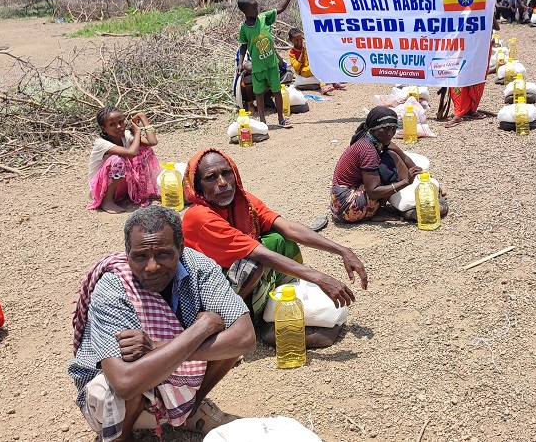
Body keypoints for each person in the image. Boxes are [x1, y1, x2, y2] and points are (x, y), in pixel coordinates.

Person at [69, 206, 255, 442]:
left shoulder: (199, 267)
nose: (152, 267)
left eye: (164, 254)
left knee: (228, 341)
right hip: (118, 400)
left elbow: (245, 338)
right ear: (127, 254)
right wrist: (202, 328)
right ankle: (122, 438)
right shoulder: (113, 286)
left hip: (160, 371)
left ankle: (187, 412)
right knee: (115, 382)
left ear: (181, 248)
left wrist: (157, 346)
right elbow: (125, 383)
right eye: (140, 256)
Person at [181, 149, 367, 322]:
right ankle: (238, 318)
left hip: (230, 270)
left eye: (226, 173)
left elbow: (289, 229)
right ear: (198, 187)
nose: (222, 182)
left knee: (280, 239)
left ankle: (274, 303)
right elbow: (259, 253)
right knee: (252, 264)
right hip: (207, 290)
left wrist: (343, 250)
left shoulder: (242, 200)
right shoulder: (199, 216)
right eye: (211, 178)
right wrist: (320, 278)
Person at [330, 107, 433, 223]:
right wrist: (406, 182)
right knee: (389, 165)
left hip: (338, 202)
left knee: (392, 157)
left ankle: (403, 196)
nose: (390, 134)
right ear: (374, 128)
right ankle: (378, 211)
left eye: (394, 129)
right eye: (385, 129)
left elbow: (403, 157)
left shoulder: (374, 138)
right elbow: (373, 192)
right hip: (348, 207)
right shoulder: (368, 150)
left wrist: (424, 180)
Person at [442, 0, 502, 128]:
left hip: (477, 35)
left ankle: (471, 109)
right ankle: (459, 111)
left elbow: (486, 5)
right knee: (457, 68)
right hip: (457, 34)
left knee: (477, 68)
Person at [237, 0, 296, 127]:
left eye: (257, 6)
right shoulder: (244, 28)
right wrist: (240, 63)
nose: (257, 9)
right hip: (258, 67)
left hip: (271, 64)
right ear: (245, 11)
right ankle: (262, 121)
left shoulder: (264, 18)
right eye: (253, 8)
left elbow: (280, 9)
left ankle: (281, 118)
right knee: (259, 94)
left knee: (277, 91)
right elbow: (243, 47)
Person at [88, 106, 160, 213]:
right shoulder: (101, 144)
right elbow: (131, 153)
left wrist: (143, 118)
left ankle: (133, 191)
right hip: (100, 189)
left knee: (143, 149)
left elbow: (152, 142)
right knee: (118, 160)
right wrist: (138, 133)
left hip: (120, 185)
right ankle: (106, 201)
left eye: (121, 122)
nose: (119, 127)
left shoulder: (125, 135)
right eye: (112, 124)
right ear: (103, 128)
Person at [288, 28, 346, 95]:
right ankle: (323, 87)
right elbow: (296, 67)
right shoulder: (292, 52)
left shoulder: (307, 47)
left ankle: (334, 82)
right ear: (291, 40)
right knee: (317, 67)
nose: (299, 41)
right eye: (296, 40)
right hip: (302, 71)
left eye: (300, 39)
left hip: (310, 66)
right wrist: (302, 53)